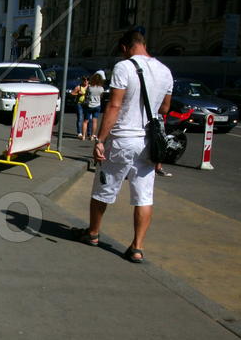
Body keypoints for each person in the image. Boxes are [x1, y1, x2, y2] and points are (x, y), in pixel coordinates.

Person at [73, 28, 173, 264]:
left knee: (104, 187)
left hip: (122, 140)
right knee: (144, 195)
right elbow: (165, 109)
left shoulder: (124, 67)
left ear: (125, 47)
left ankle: (93, 233)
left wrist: (100, 140)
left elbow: (114, 106)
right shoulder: (165, 71)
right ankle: (137, 247)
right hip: (149, 141)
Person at [83, 73, 105, 140]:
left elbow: (86, 95)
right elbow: (101, 97)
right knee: (94, 121)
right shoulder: (101, 88)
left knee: (85, 121)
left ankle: (83, 136)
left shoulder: (90, 87)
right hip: (97, 105)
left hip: (89, 105)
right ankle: (93, 135)